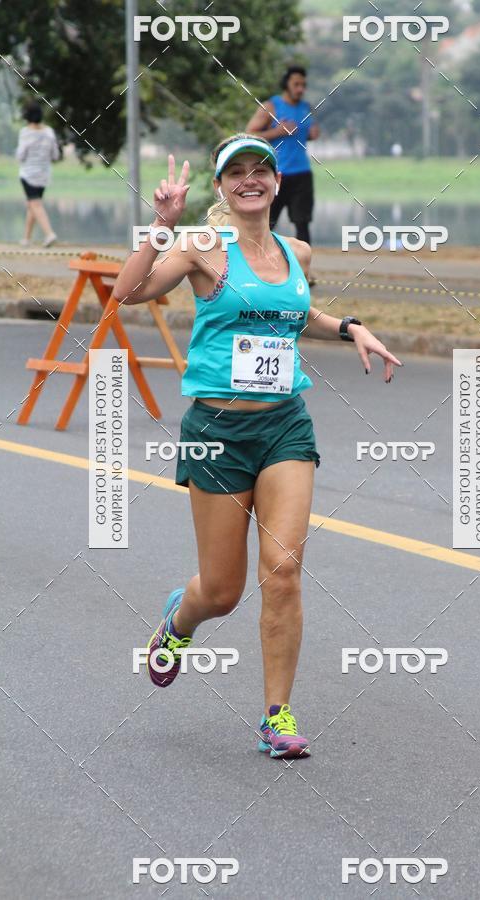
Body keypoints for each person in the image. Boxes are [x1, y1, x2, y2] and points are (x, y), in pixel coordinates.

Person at [112, 134, 402, 759]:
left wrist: (350, 327)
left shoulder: (295, 250)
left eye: (261, 170)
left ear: (275, 183)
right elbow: (127, 294)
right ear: (221, 188)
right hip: (217, 433)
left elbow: (293, 316)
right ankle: (179, 620)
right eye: (236, 172)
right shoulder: (201, 247)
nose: (250, 179)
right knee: (222, 591)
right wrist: (160, 226)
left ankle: (279, 716)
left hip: (285, 425)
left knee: (285, 571)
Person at [246, 66, 319, 248]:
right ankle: (261, 264)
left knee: (302, 222)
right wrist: (277, 131)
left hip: (302, 173)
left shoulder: (306, 108)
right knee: (268, 222)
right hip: (275, 173)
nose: (300, 89)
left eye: (303, 85)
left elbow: (308, 133)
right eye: (296, 84)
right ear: (286, 84)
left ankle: (303, 270)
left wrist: (312, 133)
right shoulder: (271, 106)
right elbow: (249, 133)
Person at [15, 102, 60, 247]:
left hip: (28, 175)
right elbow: (55, 155)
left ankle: (49, 234)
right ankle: (26, 239)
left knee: (35, 205)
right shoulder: (49, 132)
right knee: (33, 205)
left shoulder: (25, 133)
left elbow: (20, 155)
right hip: (44, 176)